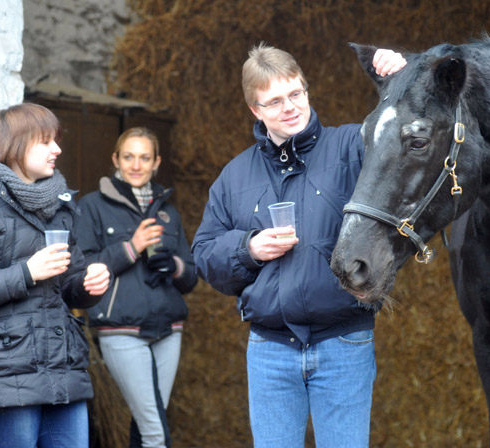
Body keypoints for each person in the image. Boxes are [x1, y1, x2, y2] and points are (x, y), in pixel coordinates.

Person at [191, 44, 406, 447]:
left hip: (343, 340)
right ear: (255, 110)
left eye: (296, 94)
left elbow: (411, 135)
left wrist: (401, 77)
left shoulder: (352, 148)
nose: (289, 107)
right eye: (274, 101)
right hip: (270, 349)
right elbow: (203, 254)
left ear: (306, 90)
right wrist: (248, 249)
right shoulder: (234, 176)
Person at [0, 103, 111, 448]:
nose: (58, 149)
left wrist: (89, 284)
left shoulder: (61, 205)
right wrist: (26, 272)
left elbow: (70, 286)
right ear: (15, 145)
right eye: (46, 141)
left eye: (57, 140)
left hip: (63, 368)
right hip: (6, 373)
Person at [74, 127, 197, 448]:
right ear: (115, 159)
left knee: (147, 424)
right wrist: (132, 247)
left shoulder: (169, 212)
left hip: (169, 328)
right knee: (156, 431)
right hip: (120, 328)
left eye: (145, 157)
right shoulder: (92, 207)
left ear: (156, 162)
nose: (136, 165)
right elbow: (83, 269)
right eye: (129, 156)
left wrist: (175, 266)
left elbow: (191, 279)